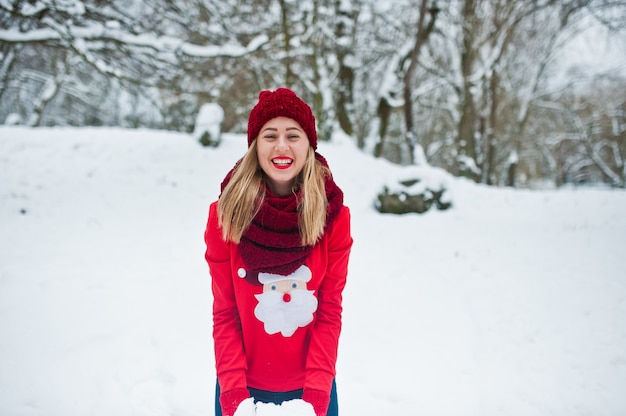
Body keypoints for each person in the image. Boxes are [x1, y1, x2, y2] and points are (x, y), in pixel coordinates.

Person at [204, 88, 353, 416]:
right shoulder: (223, 216)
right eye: (269, 135)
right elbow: (225, 313)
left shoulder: (334, 217)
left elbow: (329, 312)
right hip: (241, 390)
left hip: (312, 390)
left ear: (309, 145)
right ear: (255, 145)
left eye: (293, 135)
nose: (281, 146)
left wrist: (315, 395)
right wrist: (232, 394)